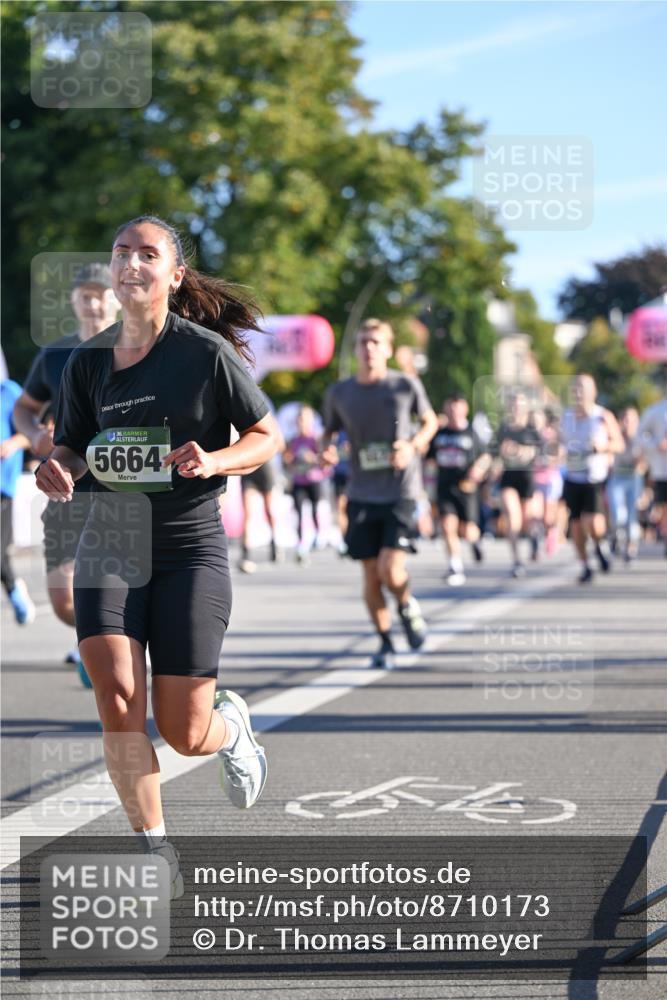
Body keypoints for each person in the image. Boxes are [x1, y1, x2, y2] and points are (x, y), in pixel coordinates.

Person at [35, 215, 280, 895]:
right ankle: (154, 847)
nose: (131, 263)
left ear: (174, 276)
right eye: (122, 252)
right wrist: (58, 468)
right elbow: (73, 445)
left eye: (148, 254)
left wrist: (217, 459)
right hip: (110, 539)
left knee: (183, 730)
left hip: (188, 547)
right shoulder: (87, 362)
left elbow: (267, 436)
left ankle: (230, 730)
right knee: (116, 696)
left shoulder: (204, 354)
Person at [13, 264, 120, 677]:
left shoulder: (138, 348)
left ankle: (118, 642)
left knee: (117, 584)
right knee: (63, 600)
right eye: (85, 296)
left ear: (117, 299)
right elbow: (25, 408)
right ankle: (101, 637)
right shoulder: (55, 355)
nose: (93, 303)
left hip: (123, 490)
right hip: (67, 487)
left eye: (101, 294)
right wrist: (35, 436)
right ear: (74, 301)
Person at [322, 318, 439, 669]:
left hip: (401, 491)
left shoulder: (405, 385)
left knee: (390, 568)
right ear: (356, 349)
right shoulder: (340, 392)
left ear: (388, 349)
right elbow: (328, 432)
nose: (369, 348)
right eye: (363, 342)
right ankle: (385, 641)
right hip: (361, 492)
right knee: (371, 574)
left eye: (376, 342)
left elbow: (430, 422)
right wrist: (326, 449)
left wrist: (412, 446)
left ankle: (406, 604)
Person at [561, 374, 624, 583]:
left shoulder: (602, 416)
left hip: (594, 478)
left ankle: (599, 544)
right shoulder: (566, 416)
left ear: (593, 392)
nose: (579, 393)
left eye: (583, 389)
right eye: (576, 389)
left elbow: (619, 444)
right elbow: (557, 443)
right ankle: (585, 565)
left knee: (593, 523)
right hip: (572, 477)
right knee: (576, 526)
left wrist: (602, 447)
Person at [427, 393, 490, 586]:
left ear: (465, 409)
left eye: (457, 406)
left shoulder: (471, 433)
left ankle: (475, 541)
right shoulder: (439, 435)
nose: (454, 411)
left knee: (468, 530)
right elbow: (429, 461)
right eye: (450, 406)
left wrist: (477, 470)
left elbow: (486, 457)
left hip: (467, 489)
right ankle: (455, 566)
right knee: (448, 525)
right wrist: (427, 490)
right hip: (445, 487)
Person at [494, 392, 542, 577]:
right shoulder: (503, 429)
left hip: (527, 477)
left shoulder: (531, 430)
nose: (516, 408)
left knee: (527, 520)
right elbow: (496, 453)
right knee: (512, 517)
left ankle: (534, 537)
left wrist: (517, 450)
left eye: (520, 404)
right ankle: (517, 561)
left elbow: (535, 453)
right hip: (508, 477)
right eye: (513, 404)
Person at [1, 377, 35, 625]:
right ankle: (14, 589)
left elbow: (32, 431)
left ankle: (14, 590)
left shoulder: (9, 391)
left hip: (3, 487)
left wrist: (13, 443)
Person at [284, 404, 327, 562]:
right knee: (299, 512)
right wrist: (289, 461)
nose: (301, 422)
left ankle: (318, 534)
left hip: (314, 480)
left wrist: (313, 458)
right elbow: (287, 461)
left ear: (311, 421)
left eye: (305, 419)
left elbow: (325, 461)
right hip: (298, 481)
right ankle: (301, 543)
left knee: (315, 510)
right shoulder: (293, 440)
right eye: (299, 419)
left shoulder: (316, 439)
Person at [607, 406, 644, 562]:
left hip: (634, 479)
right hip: (617, 478)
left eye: (631, 420)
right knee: (618, 515)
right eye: (625, 419)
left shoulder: (641, 439)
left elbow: (643, 465)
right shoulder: (614, 438)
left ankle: (631, 547)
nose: (628, 423)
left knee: (632, 516)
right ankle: (616, 535)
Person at [637, 386, 667, 557]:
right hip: (662, 469)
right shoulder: (656, 410)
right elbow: (640, 434)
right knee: (664, 505)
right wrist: (656, 444)